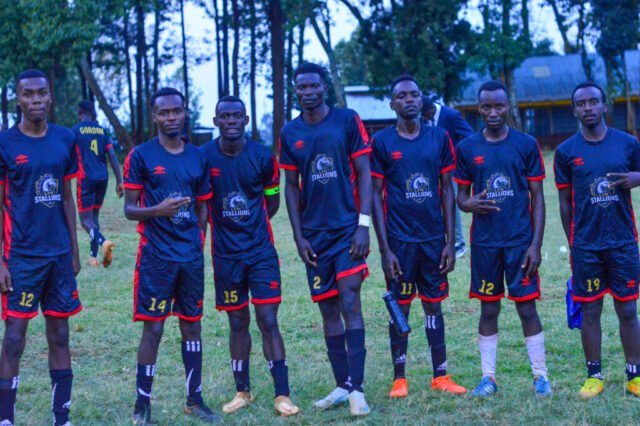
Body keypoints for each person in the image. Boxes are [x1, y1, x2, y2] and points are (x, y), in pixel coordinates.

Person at [279, 62, 372, 416]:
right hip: (315, 237)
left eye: (313, 85)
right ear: (296, 91)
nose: (308, 91)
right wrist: (299, 236)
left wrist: (363, 225)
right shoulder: (290, 132)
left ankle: (357, 389)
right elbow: (290, 187)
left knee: (350, 300)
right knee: (329, 309)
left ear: (324, 87)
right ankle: (342, 384)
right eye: (301, 87)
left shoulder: (347, 120)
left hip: (348, 229)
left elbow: (364, 172)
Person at [123, 87, 219, 424]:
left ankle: (195, 400)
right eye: (164, 112)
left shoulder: (198, 157)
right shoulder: (140, 156)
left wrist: (198, 241)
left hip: (189, 256)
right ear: (154, 117)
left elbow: (203, 207)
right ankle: (142, 406)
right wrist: (158, 210)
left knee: (192, 327)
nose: (171, 117)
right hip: (156, 257)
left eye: (176, 111)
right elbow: (129, 209)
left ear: (184, 112)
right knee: (154, 329)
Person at [201, 96, 299, 417]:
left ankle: (282, 394)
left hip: (260, 253)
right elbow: (201, 206)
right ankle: (242, 391)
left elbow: (272, 202)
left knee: (268, 320)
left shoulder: (262, 157)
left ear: (246, 120)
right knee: (237, 321)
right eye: (224, 116)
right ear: (216, 121)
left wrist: (250, 227)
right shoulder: (204, 157)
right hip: (225, 256)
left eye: (237, 116)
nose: (231, 121)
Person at [371, 75, 466, 398]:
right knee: (400, 307)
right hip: (399, 242)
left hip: (433, 240)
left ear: (422, 99)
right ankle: (399, 378)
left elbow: (448, 191)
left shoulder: (439, 137)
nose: (409, 100)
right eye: (402, 96)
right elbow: (375, 196)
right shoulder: (382, 142)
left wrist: (450, 242)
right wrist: (385, 250)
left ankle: (441, 375)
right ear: (392, 104)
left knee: (433, 306)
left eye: (414, 94)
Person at [455, 80, 551, 397]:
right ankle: (489, 378)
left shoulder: (526, 144)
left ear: (508, 106)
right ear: (479, 108)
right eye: (486, 107)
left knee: (527, 308)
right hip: (485, 243)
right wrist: (468, 203)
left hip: (520, 243)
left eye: (499, 106)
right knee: (488, 309)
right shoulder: (468, 148)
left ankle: (541, 377)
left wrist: (535, 245)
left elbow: (538, 198)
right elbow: (461, 198)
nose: (493, 112)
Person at [0, 69, 81, 426]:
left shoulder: (65, 138)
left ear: (50, 96)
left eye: (41, 93)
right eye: (28, 94)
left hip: (59, 256)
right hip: (21, 256)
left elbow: (67, 198)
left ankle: (61, 417)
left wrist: (74, 251)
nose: (36, 100)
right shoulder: (5, 142)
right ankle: (5, 418)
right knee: (14, 338)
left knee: (60, 335)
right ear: (17, 99)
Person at [554, 81, 640, 399]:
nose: (587, 107)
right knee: (590, 312)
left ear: (605, 106)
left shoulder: (628, 143)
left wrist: (637, 177)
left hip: (623, 242)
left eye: (593, 102)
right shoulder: (566, 152)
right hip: (586, 246)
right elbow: (564, 203)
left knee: (628, 310)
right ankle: (594, 376)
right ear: (574, 110)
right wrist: (573, 242)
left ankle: (635, 375)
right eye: (581, 103)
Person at [72, 100, 123, 268]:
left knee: (85, 221)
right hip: (103, 178)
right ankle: (93, 258)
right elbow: (112, 156)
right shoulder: (102, 130)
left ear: (80, 112)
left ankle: (103, 242)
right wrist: (119, 181)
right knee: (94, 218)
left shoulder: (76, 131)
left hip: (86, 178)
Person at [423, 96, 474, 259]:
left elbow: (469, 136)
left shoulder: (451, 115)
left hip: (451, 168)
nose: (424, 120)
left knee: (451, 204)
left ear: (431, 110)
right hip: (430, 169)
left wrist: (451, 150)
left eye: (425, 116)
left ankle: (459, 244)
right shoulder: (422, 118)